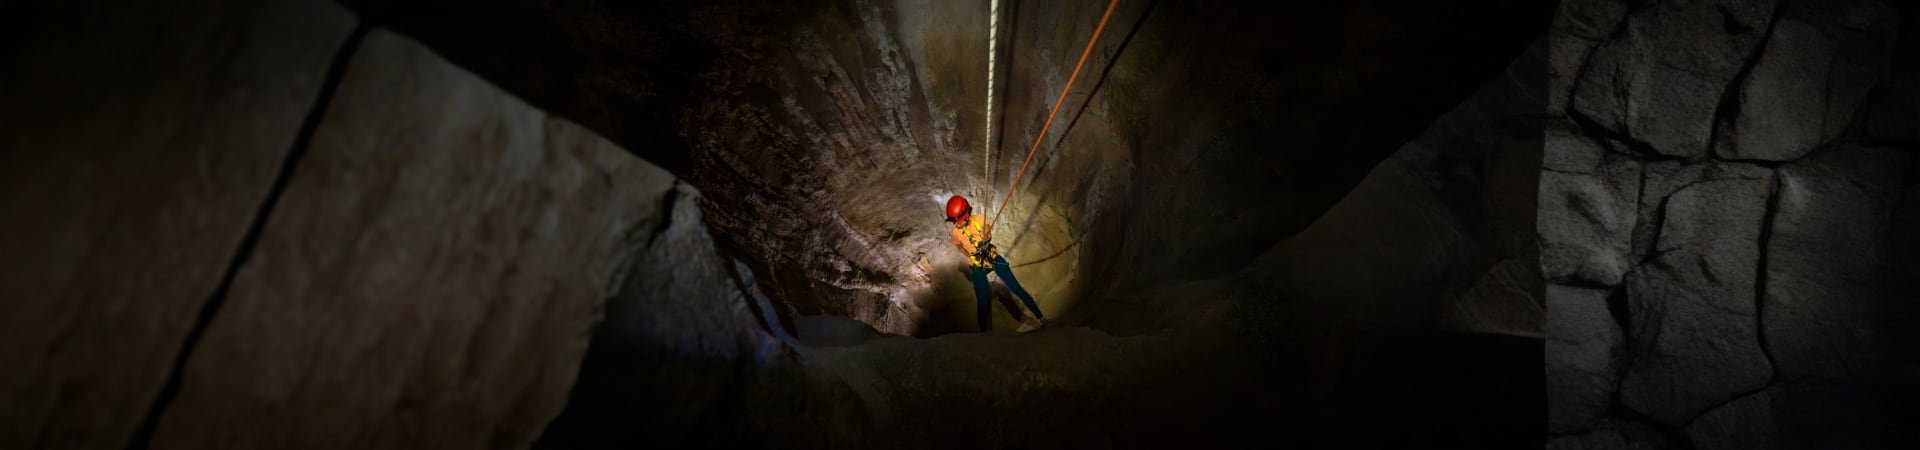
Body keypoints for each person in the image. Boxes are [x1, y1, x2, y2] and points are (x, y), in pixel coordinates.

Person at [944, 195, 1045, 332]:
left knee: (1016, 288)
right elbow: (961, 248)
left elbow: (988, 234)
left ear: (966, 215)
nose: (956, 224)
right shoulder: (955, 234)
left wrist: (986, 237)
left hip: (991, 257)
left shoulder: (980, 220)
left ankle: (1040, 318)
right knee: (983, 300)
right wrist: (974, 256)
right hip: (977, 264)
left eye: (957, 221)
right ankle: (984, 333)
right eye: (954, 221)